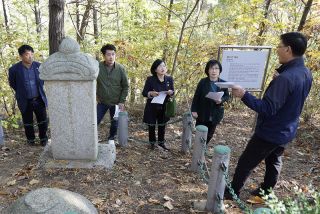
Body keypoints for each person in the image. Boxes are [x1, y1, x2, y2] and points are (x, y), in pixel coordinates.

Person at [225, 32, 312, 199]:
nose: (277, 50)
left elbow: (267, 108)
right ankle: (266, 191)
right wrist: (279, 81)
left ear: (288, 49)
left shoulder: (286, 78)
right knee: (274, 160)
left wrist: (244, 95)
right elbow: (293, 97)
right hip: (288, 129)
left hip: (271, 131)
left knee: (246, 162)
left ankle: (232, 192)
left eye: (280, 46)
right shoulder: (305, 72)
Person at [8, 45, 48, 146]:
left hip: (39, 98)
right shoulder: (14, 69)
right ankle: (31, 141)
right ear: (21, 56)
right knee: (28, 122)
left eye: (31, 54)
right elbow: (13, 84)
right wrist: (22, 92)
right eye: (27, 54)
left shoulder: (39, 66)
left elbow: (43, 81)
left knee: (43, 121)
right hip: (25, 100)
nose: (30, 56)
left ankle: (43, 139)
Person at [191, 59, 230, 144]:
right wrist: (193, 110)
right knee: (200, 131)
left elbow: (227, 96)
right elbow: (196, 96)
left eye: (216, 68)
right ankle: (198, 150)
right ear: (207, 70)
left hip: (215, 112)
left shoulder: (223, 83)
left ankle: (203, 148)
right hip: (203, 111)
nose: (214, 71)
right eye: (211, 68)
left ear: (220, 70)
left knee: (209, 134)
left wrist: (221, 100)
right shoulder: (203, 82)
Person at [96, 44, 129, 140]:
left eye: (113, 54)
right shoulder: (98, 67)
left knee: (115, 123)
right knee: (95, 121)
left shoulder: (120, 68)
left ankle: (111, 139)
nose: (111, 57)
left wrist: (122, 101)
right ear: (104, 56)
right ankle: (92, 140)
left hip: (116, 102)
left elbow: (125, 86)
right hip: (102, 102)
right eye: (108, 54)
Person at [142, 59, 174, 150]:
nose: (162, 68)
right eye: (160, 66)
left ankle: (161, 143)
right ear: (155, 69)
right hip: (152, 106)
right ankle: (152, 144)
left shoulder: (169, 79)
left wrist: (170, 92)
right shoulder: (150, 79)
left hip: (164, 106)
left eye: (164, 66)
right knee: (151, 125)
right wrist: (151, 93)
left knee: (162, 125)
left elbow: (172, 91)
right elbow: (144, 92)